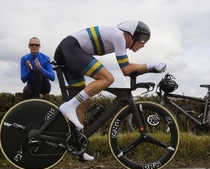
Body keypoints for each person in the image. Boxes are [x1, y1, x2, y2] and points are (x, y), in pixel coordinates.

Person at [54, 20, 167, 161]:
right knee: (107, 78)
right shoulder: (119, 36)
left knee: (83, 102)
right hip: (71, 48)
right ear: (131, 34)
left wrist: (150, 68)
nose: (143, 44)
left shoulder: (118, 37)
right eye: (143, 39)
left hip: (69, 50)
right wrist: (152, 64)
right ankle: (69, 106)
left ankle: (78, 146)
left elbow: (128, 67)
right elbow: (126, 69)